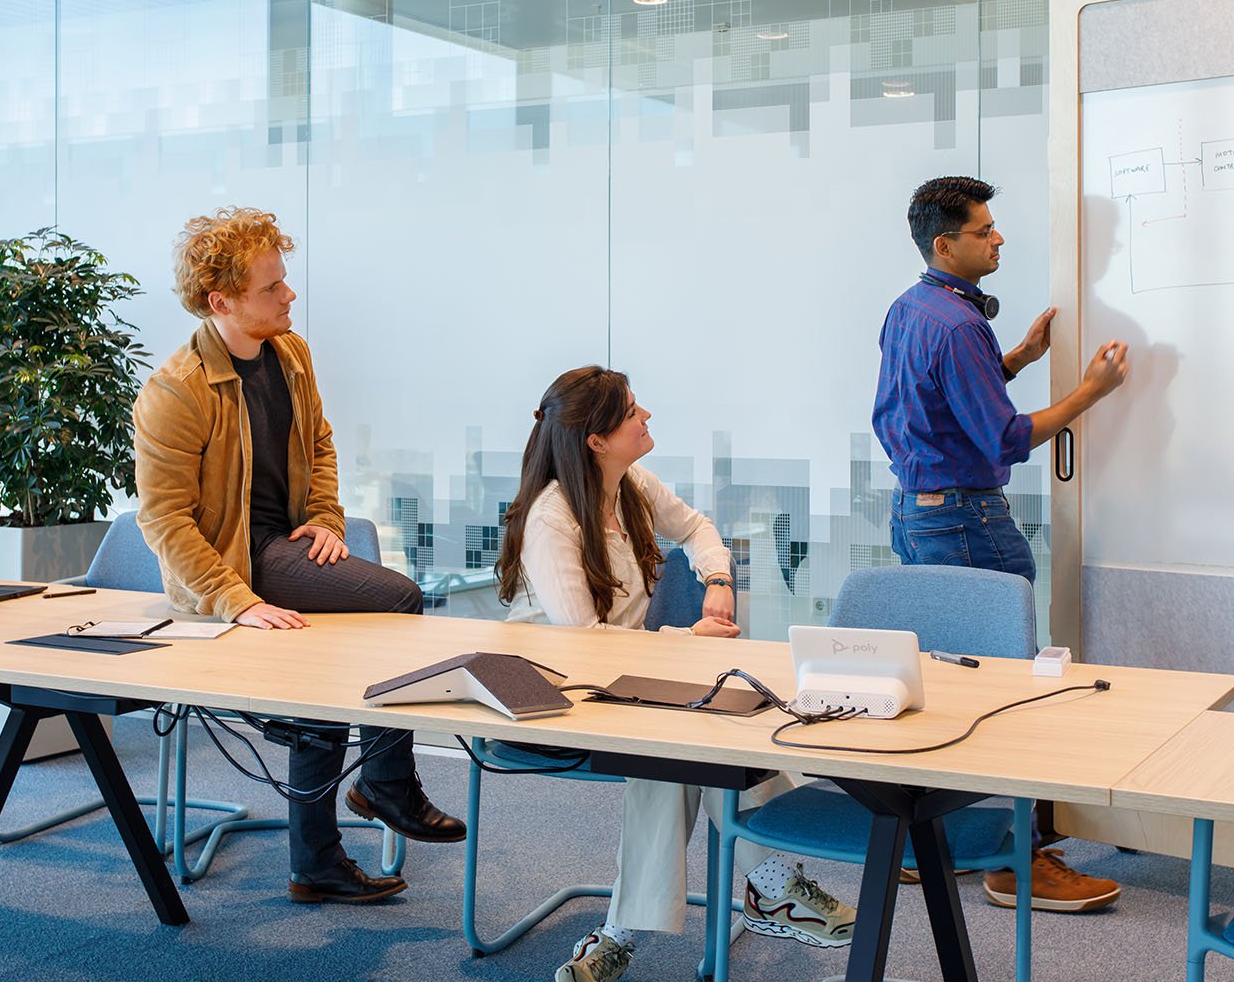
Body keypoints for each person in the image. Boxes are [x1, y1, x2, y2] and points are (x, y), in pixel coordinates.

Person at [133, 206, 464, 905]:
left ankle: (317, 858)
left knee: (329, 668)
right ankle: (382, 784)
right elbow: (164, 519)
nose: (289, 296)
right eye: (272, 287)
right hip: (232, 564)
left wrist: (322, 517)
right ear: (222, 302)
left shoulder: (291, 354)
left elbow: (318, 444)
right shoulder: (175, 391)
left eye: (285, 282)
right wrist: (238, 599)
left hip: (284, 543)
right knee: (400, 598)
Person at [497, 366, 855, 982]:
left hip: (622, 683)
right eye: (633, 411)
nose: (647, 416)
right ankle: (771, 886)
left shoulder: (629, 484)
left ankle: (622, 933)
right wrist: (687, 638)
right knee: (675, 752)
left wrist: (717, 579)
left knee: (694, 742)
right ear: (596, 440)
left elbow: (696, 527)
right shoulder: (552, 518)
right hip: (549, 697)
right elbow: (582, 645)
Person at [872, 175, 1130, 913]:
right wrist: (1090, 393)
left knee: (947, 689)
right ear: (944, 243)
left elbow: (937, 404)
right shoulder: (957, 324)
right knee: (1011, 695)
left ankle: (936, 846)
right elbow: (1005, 437)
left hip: (919, 514)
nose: (1000, 238)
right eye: (985, 230)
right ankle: (1021, 863)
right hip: (965, 522)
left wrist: (1012, 358)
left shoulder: (913, 310)